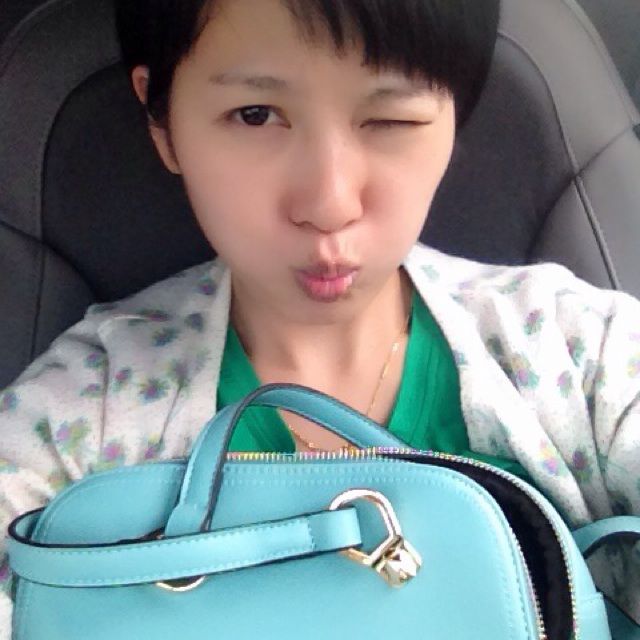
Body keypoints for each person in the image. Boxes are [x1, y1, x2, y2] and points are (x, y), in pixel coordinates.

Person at [0, 0, 639, 635]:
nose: (329, 204)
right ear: (162, 120)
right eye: (254, 114)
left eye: (390, 118)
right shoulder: (82, 413)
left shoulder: (576, 350)